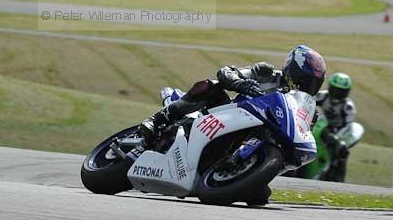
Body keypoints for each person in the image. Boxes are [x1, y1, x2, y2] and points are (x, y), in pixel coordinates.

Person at [140, 44, 327, 143]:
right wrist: (242, 84)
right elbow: (225, 72)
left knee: (259, 197)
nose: (307, 86)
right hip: (224, 115)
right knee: (210, 86)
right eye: (305, 80)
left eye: (313, 83)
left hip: (254, 137)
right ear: (293, 71)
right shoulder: (266, 73)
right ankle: (156, 120)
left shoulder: (309, 112)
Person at [315, 72, 356, 182]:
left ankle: (337, 178)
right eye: (335, 89)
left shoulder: (348, 106)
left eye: (341, 91)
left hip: (337, 131)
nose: (337, 93)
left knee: (341, 151)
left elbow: (349, 125)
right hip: (320, 125)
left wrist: (337, 137)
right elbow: (309, 100)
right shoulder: (323, 95)